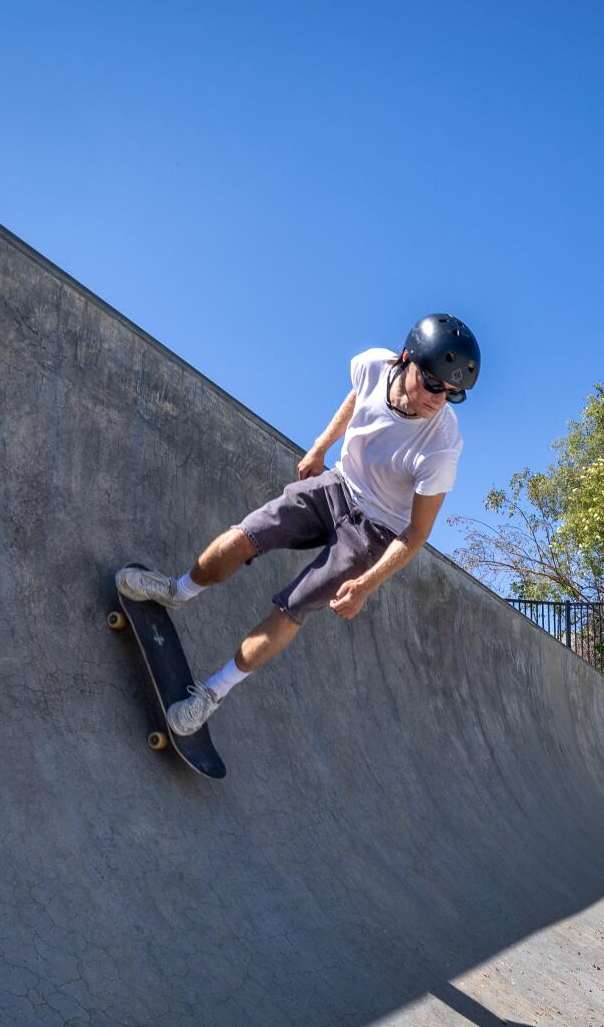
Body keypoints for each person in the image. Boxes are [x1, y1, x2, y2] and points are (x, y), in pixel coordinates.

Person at [119, 313, 479, 734]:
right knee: (245, 536)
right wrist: (320, 447)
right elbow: (356, 398)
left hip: (375, 532)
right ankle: (176, 591)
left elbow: (417, 533)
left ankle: (212, 693)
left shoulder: (441, 448)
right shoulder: (373, 365)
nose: (438, 400)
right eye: (434, 383)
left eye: (453, 394)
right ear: (406, 360)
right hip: (336, 487)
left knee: (293, 606)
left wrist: (366, 585)